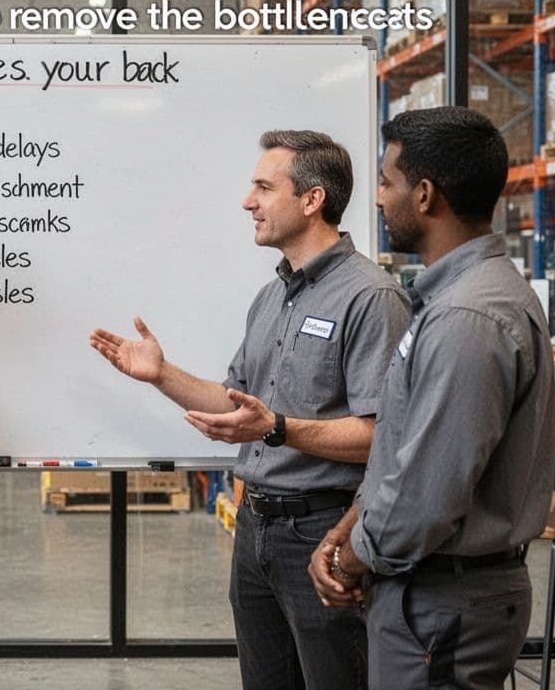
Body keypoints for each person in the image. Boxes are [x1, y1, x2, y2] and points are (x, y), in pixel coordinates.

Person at [90, 130, 408, 690]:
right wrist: (160, 373)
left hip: (324, 532)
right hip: (255, 529)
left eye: (263, 186)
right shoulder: (273, 297)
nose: (247, 201)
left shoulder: (370, 297)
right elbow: (234, 402)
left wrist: (279, 429)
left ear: (312, 200)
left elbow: (382, 435)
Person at [309, 106, 555, 689]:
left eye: (388, 182)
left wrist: (351, 557)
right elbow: (403, 450)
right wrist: (348, 527)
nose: (378, 198)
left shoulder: (468, 317)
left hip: (441, 601)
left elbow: (428, 494)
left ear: (424, 195)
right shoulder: (451, 303)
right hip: (430, 590)